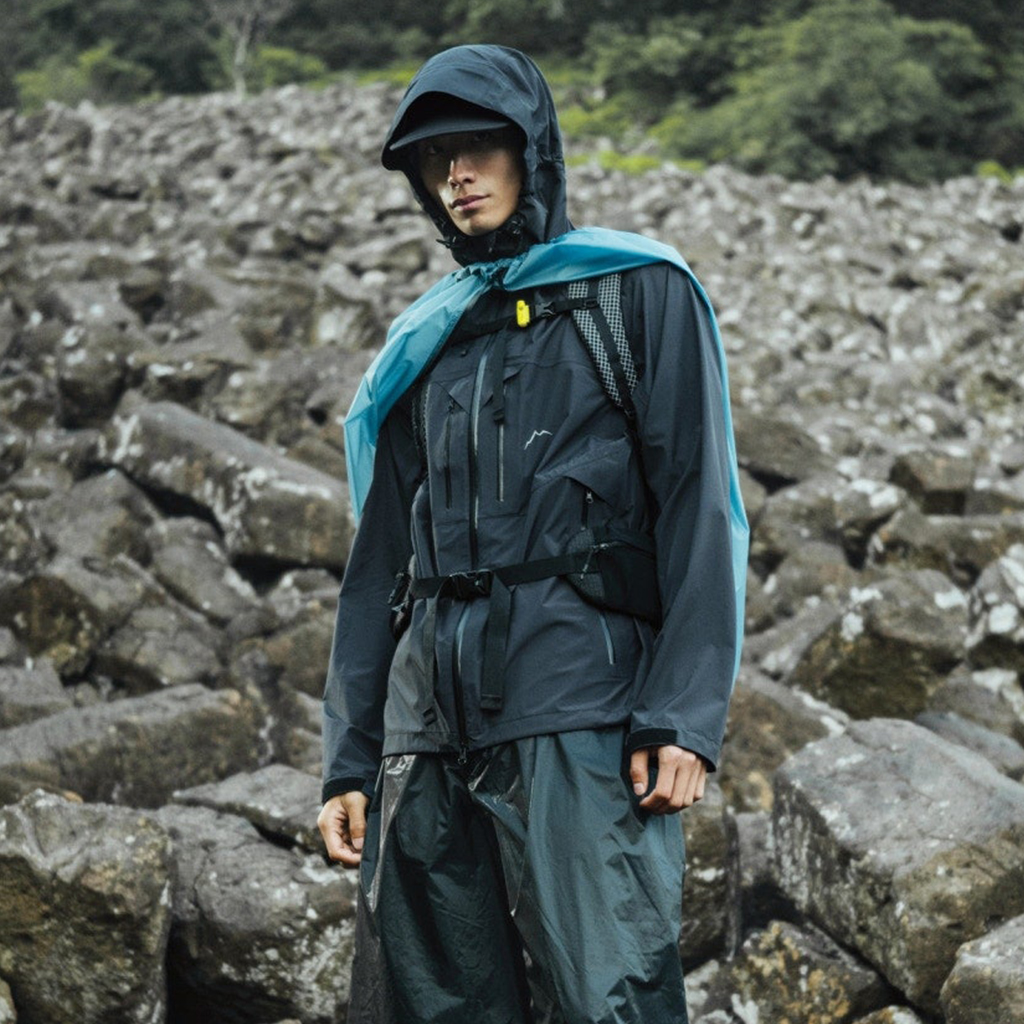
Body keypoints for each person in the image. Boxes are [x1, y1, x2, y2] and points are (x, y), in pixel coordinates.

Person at [317, 43, 748, 1024]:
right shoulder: (427, 339)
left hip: (579, 709)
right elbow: (378, 566)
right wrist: (350, 757)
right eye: (435, 160)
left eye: (477, 147)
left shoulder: (639, 292)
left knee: (610, 997)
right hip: (424, 730)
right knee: (427, 1007)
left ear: (532, 150)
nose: (456, 175)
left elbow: (701, 506)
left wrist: (682, 716)